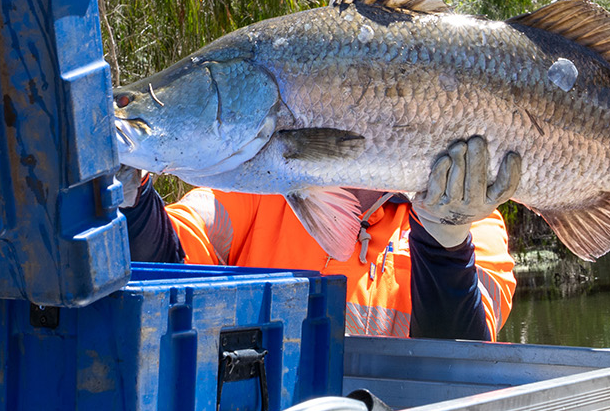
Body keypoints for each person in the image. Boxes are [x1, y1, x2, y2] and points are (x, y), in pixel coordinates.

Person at [120, 135, 519, 341]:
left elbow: (463, 362)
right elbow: (166, 269)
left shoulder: (475, 218)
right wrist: (133, 202)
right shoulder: (258, 187)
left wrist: (445, 242)